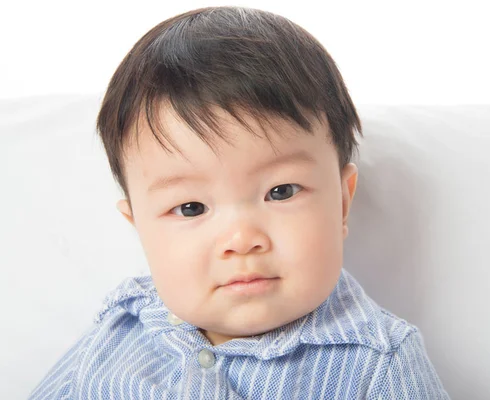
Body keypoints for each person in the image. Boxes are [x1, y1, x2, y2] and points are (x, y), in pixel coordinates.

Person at [30, 6, 449, 399]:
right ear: (138, 226)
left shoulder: (378, 366)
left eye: (280, 191)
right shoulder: (122, 326)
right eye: (191, 207)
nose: (242, 239)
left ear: (341, 203)